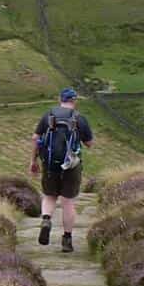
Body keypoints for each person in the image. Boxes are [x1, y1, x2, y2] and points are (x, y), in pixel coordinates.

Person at [32, 87, 96, 252]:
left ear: (60, 99)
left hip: (50, 163)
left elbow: (36, 138)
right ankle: (67, 240)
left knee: (49, 195)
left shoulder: (49, 115)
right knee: (67, 202)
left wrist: (34, 161)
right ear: (74, 100)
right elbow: (89, 144)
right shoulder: (79, 118)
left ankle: (46, 219)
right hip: (71, 165)